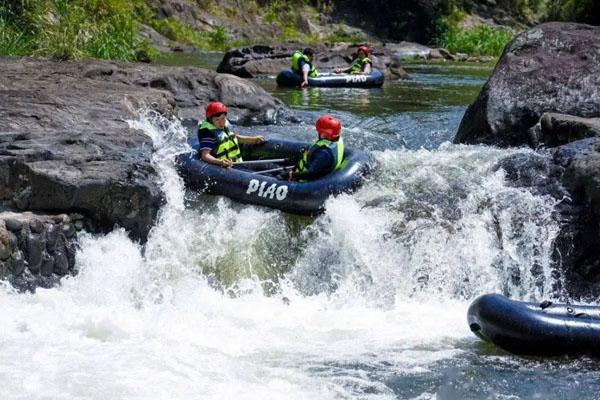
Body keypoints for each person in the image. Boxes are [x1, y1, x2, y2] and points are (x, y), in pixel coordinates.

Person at [197, 101, 265, 168]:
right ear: (211, 121)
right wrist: (220, 162)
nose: (221, 123)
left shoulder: (226, 126)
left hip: (237, 163)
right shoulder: (208, 134)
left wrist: (254, 139)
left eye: (223, 118)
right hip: (224, 167)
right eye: (217, 120)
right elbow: (205, 155)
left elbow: (234, 138)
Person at [288, 114, 344, 181]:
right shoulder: (336, 141)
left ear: (324, 134)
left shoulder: (324, 153)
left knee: (272, 167)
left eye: (319, 131)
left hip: (302, 181)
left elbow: (311, 174)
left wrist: (290, 175)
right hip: (317, 171)